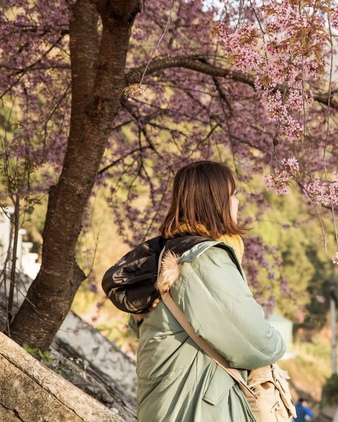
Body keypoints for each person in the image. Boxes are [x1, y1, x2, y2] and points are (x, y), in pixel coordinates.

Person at [102, 161, 285, 421]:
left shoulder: (164, 255)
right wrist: (279, 343)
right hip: (198, 408)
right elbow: (256, 342)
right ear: (216, 201)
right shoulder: (203, 261)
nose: (237, 203)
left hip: (169, 404)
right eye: (232, 195)